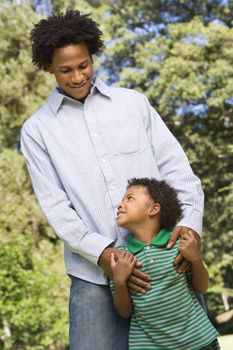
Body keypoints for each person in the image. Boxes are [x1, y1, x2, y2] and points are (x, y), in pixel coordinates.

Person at [20, 9, 204, 350]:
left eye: (84, 65)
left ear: (92, 57)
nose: (77, 76)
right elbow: (57, 209)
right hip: (93, 275)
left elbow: (177, 170)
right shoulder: (37, 131)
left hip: (166, 263)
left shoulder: (132, 104)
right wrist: (105, 255)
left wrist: (190, 225)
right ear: (49, 68)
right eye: (66, 70)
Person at [110, 178, 220, 350]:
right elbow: (125, 312)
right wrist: (119, 281)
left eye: (129, 198)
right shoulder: (121, 257)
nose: (120, 205)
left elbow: (202, 287)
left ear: (153, 209)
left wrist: (196, 259)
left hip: (198, 341)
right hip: (148, 346)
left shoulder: (179, 245)